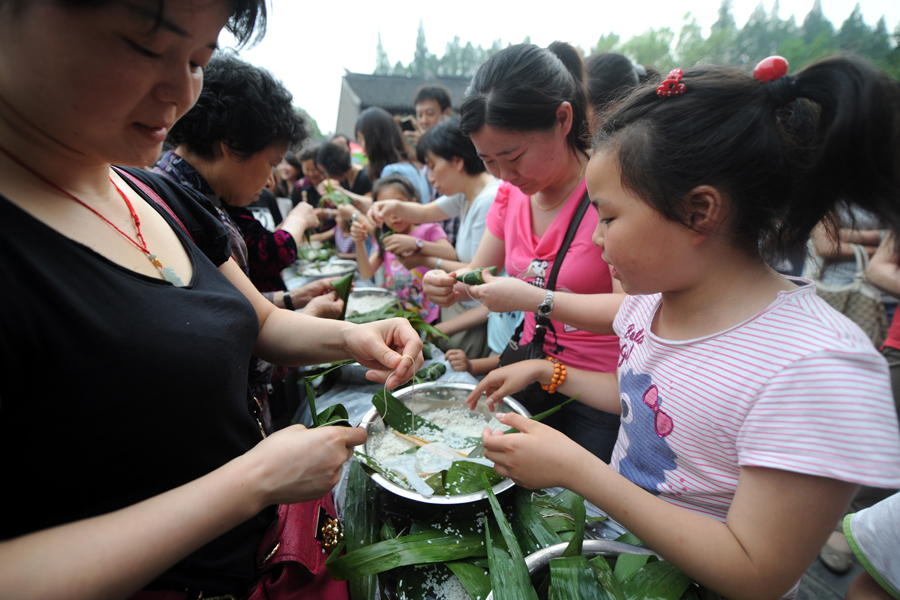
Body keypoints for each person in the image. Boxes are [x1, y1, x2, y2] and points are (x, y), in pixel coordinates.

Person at [0, 3, 423, 599]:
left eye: (199, 59)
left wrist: (350, 338)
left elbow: (262, 320)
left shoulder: (159, 194)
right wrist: (253, 480)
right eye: (146, 47)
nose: (180, 92)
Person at [464, 55, 900, 600]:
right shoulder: (653, 301)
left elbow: (756, 572)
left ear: (700, 212)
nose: (597, 241)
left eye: (610, 217)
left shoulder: (817, 367)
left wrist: (577, 469)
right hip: (618, 560)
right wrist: (550, 370)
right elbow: (649, 402)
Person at [422, 42, 623, 461]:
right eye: (488, 161)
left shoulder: (612, 191)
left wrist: (536, 299)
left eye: (513, 157)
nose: (504, 175)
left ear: (563, 119)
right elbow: (478, 274)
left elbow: (633, 312)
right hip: (523, 371)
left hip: (597, 392)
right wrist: (447, 283)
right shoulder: (508, 196)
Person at [156, 52, 339, 316]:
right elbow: (230, 324)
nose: (269, 180)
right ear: (233, 144)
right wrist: (310, 316)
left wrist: (293, 298)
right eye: (271, 163)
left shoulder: (191, 191)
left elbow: (232, 300)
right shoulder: (188, 212)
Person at [369, 116, 501, 359]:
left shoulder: (488, 200)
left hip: (475, 312)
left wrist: (425, 259)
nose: (429, 177)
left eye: (431, 165)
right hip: (462, 303)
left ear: (457, 162)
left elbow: (479, 273)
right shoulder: (466, 194)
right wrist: (388, 206)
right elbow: (423, 211)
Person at [352, 174, 452, 323]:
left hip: (431, 316)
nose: (393, 216)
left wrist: (416, 244)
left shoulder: (429, 229)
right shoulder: (385, 238)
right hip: (399, 316)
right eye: (383, 208)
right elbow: (366, 273)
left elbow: (450, 254)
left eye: (397, 205)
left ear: (412, 204)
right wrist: (359, 242)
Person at [355, 106, 430, 206]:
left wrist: (353, 214)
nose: (363, 152)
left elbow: (388, 216)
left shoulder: (392, 171)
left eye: (362, 140)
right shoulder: (411, 166)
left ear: (376, 136)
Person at [402, 82, 453, 148]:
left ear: (447, 113)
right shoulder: (412, 144)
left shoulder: (456, 140)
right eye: (420, 115)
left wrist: (425, 144)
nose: (424, 121)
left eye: (430, 113)